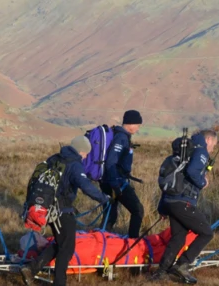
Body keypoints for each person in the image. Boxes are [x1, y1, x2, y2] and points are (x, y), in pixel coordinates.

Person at [20, 136, 110, 286]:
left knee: (62, 244)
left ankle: (31, 269)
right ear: (81, 151)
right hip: (61, 211)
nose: (86, 156)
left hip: (48, 208)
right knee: (67, 249)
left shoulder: (55, 158)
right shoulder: (74, 165)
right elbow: (85, 186)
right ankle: (58, 282)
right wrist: (104, 198)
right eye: (86, 153)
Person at [150, 129, 217, 284]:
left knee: (178, 238)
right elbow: (192, 171)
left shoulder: (184, 151)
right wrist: (202, 182)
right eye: (214, 144)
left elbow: (173, 179)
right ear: (208, 140)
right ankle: (182, 265)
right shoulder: (200, 151)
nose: (213, 148)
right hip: (183, 202)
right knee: (207, 233)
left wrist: (162, 208)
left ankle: (161, 273)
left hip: (171, 202)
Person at [100, 110, 144, 238]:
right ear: (131, 123)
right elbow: (111, 162)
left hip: (110, 181)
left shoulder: (120, 136)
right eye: (138, 125)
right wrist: (115, 185)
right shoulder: (121, 138)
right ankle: (133, 243)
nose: (138, 128)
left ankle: (101, 243)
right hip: (115, 182)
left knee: (110, 215)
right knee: (137, 210)